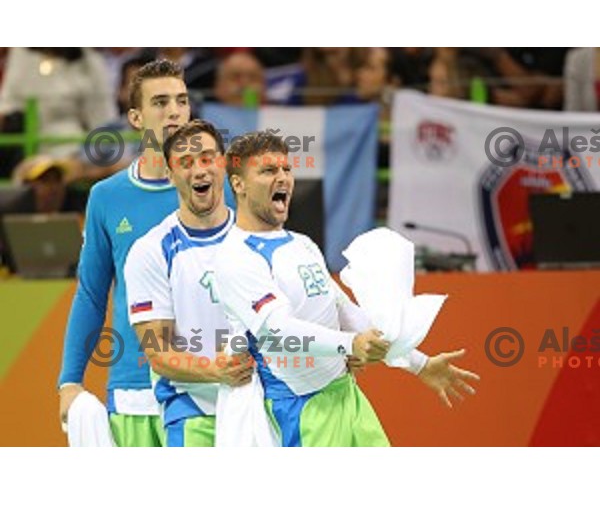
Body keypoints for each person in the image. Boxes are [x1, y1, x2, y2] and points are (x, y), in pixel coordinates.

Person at [214, 131, 479, 447]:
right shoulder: (235, 256)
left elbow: (344, 312)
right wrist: (350, 345)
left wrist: (418, 363)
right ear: (238, 184)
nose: (283, 178)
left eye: (286, 169)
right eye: (268, 171)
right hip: (300, 409)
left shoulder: (302, 244)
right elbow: (276, 333)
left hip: (347, 395)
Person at [57, 59, 192, 447]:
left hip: (210, 382)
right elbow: (91, 293)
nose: (175, 111)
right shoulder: (107, 197)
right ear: (135, 117)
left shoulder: (223, 191)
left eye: (182, 101)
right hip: (133, 389)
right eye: (161, 102)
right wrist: (70, 380)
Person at [123, 120, 252, 447]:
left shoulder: (260, 239)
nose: (199, 170)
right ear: (170, 174)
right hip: (194, 412)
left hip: (260, 405)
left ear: (224, 165)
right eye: (185, 162)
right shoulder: (150, 252)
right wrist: (216, 371)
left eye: (208, 158)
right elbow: (159, 353)